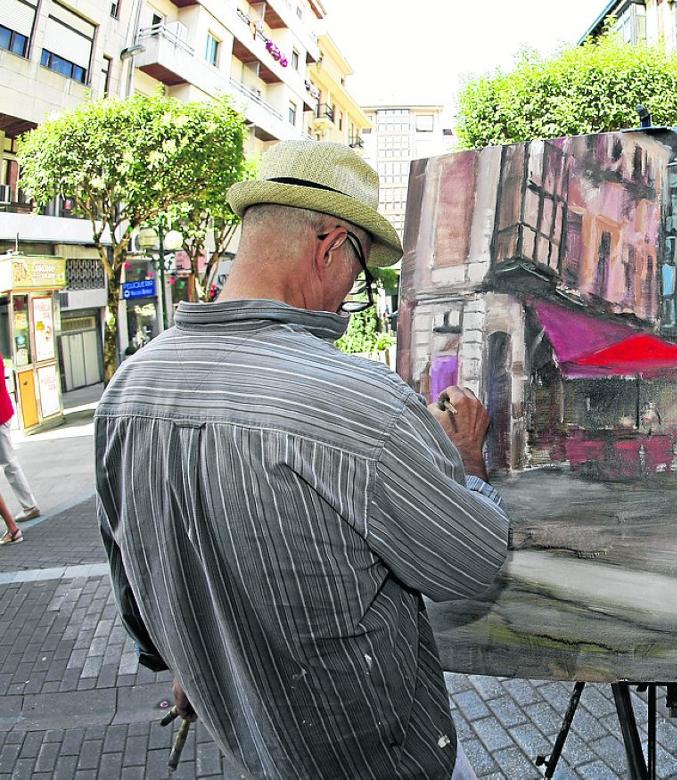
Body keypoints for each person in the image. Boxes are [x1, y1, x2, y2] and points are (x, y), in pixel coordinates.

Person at [96, 141, 509, 779]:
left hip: (251, 750)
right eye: (360, 272)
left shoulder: (126, 390)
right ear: (329, 247)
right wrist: (465, 461)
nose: (350, 294)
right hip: (369, 761)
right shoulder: (361, 402)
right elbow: (470, 564)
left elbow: (135, 591)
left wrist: (192, 669)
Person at [0, 360, 39, 522]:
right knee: (9, 462)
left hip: (0, 416)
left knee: (9, 462)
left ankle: (29, 506)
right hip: (3, 411)